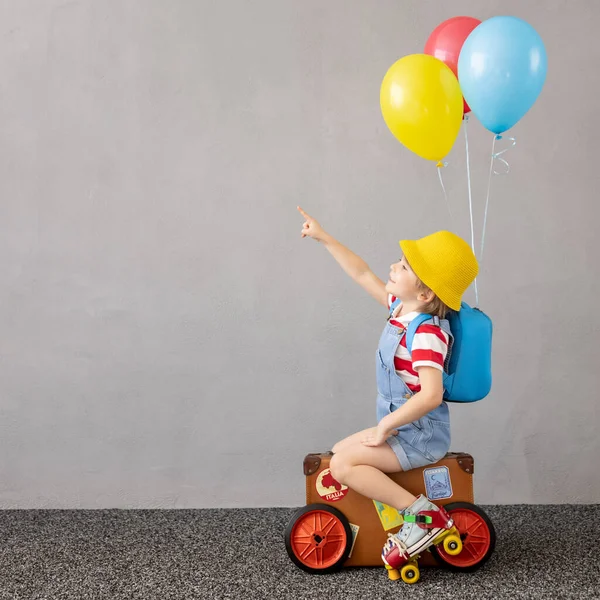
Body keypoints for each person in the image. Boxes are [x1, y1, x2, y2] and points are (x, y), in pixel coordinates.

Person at [297, 206, 479, 563]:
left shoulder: (427, 334)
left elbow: (431, 395)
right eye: (399, 261)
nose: (393, 267)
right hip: (403, 427)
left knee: (343, 467)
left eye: (405, 267)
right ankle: (393, 516)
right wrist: (324, 237)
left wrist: (385, 426)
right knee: (338, 451)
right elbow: (362, 272)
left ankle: (425, 517)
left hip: (420, 435)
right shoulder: (401, 309)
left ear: (425, 294)